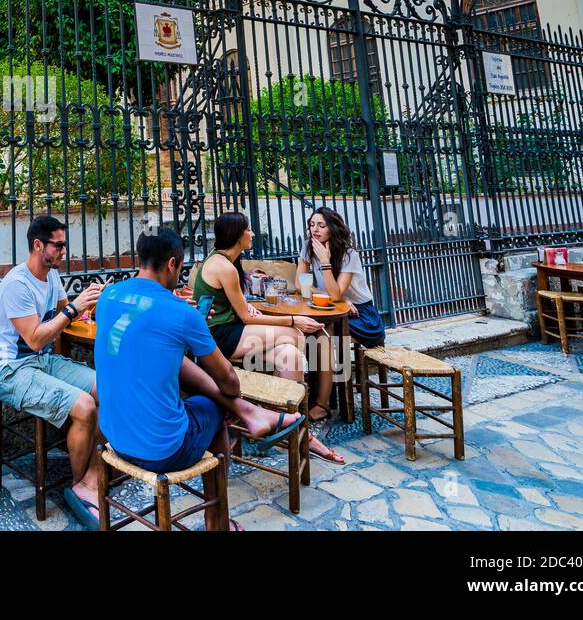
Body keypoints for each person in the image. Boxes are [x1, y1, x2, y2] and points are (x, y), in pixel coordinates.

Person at [95, 227, 303, 531]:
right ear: (172, 264)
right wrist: (193, 328)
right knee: (216, 408)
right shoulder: (182, 313)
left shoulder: (109, 295)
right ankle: (216, 519)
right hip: (162, 451)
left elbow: (152, 344)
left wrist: (184, 330)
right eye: (179, 268)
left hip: (114, 437)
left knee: (176, 364)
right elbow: (229, 381)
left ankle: (253, 414)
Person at [192, 211, 346, 463]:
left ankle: (287, 424)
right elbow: (247, 319)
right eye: (248, 230)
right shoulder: (223, 266)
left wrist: (245, 306)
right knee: (294, 335)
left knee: (291, 356)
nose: (252, 234)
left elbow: (238, 309)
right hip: (218, 338)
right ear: (237, 234)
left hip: (231, 330)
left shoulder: (227, 262)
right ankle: (281, 419)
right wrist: (294, 320)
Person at [0, 215, 104, 519]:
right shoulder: (17, 284)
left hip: (40, 362)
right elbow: (36, 338)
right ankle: (80, 485)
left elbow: (69, 315)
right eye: (59, 245)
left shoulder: (51, 276)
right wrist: (75, 308)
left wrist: (93, 303)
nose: (64, 251)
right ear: (39, 245)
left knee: (108, 387)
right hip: (10, 370)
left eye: (65, 245)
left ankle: (95, 470)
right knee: (85, 406)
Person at [298, 206, 387, 372]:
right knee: (312, 327)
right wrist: (337, 298)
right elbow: (299, 284)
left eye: (321, 226)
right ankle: (320, 380)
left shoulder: (348, 254)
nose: (315, 229)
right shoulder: (308, 246)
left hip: (360, 313)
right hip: (330, 306)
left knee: (323, 330)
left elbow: (336, 294)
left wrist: (325, 262)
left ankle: (337, 383)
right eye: (312, 224)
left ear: (332, 229)